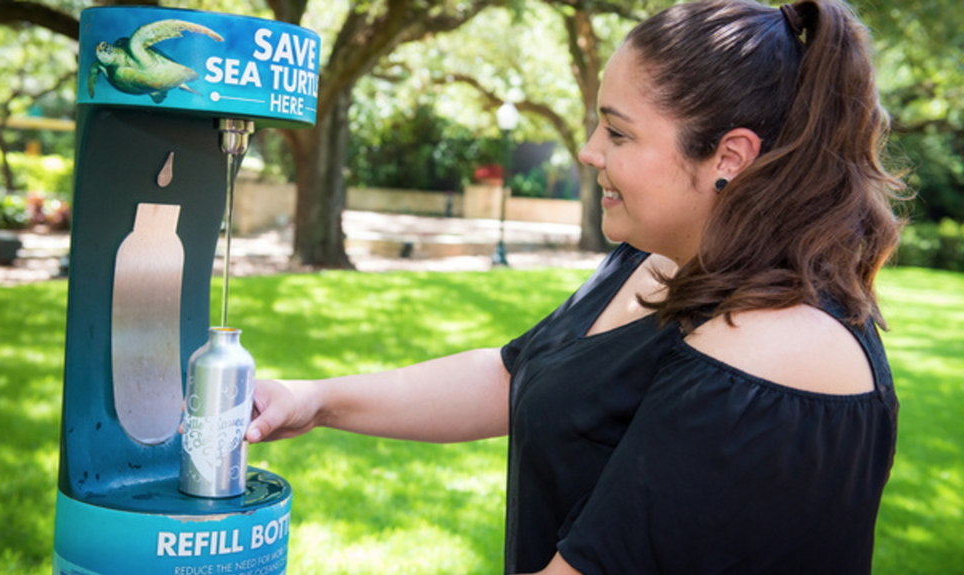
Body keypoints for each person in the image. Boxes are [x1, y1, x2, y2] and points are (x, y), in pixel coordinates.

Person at [244, 0, 906, 573]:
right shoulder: (651, 259)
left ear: (728, 157)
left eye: (617, 131)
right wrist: (315, 400)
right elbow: (518, 377)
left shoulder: (775, 348)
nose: (589, 151)